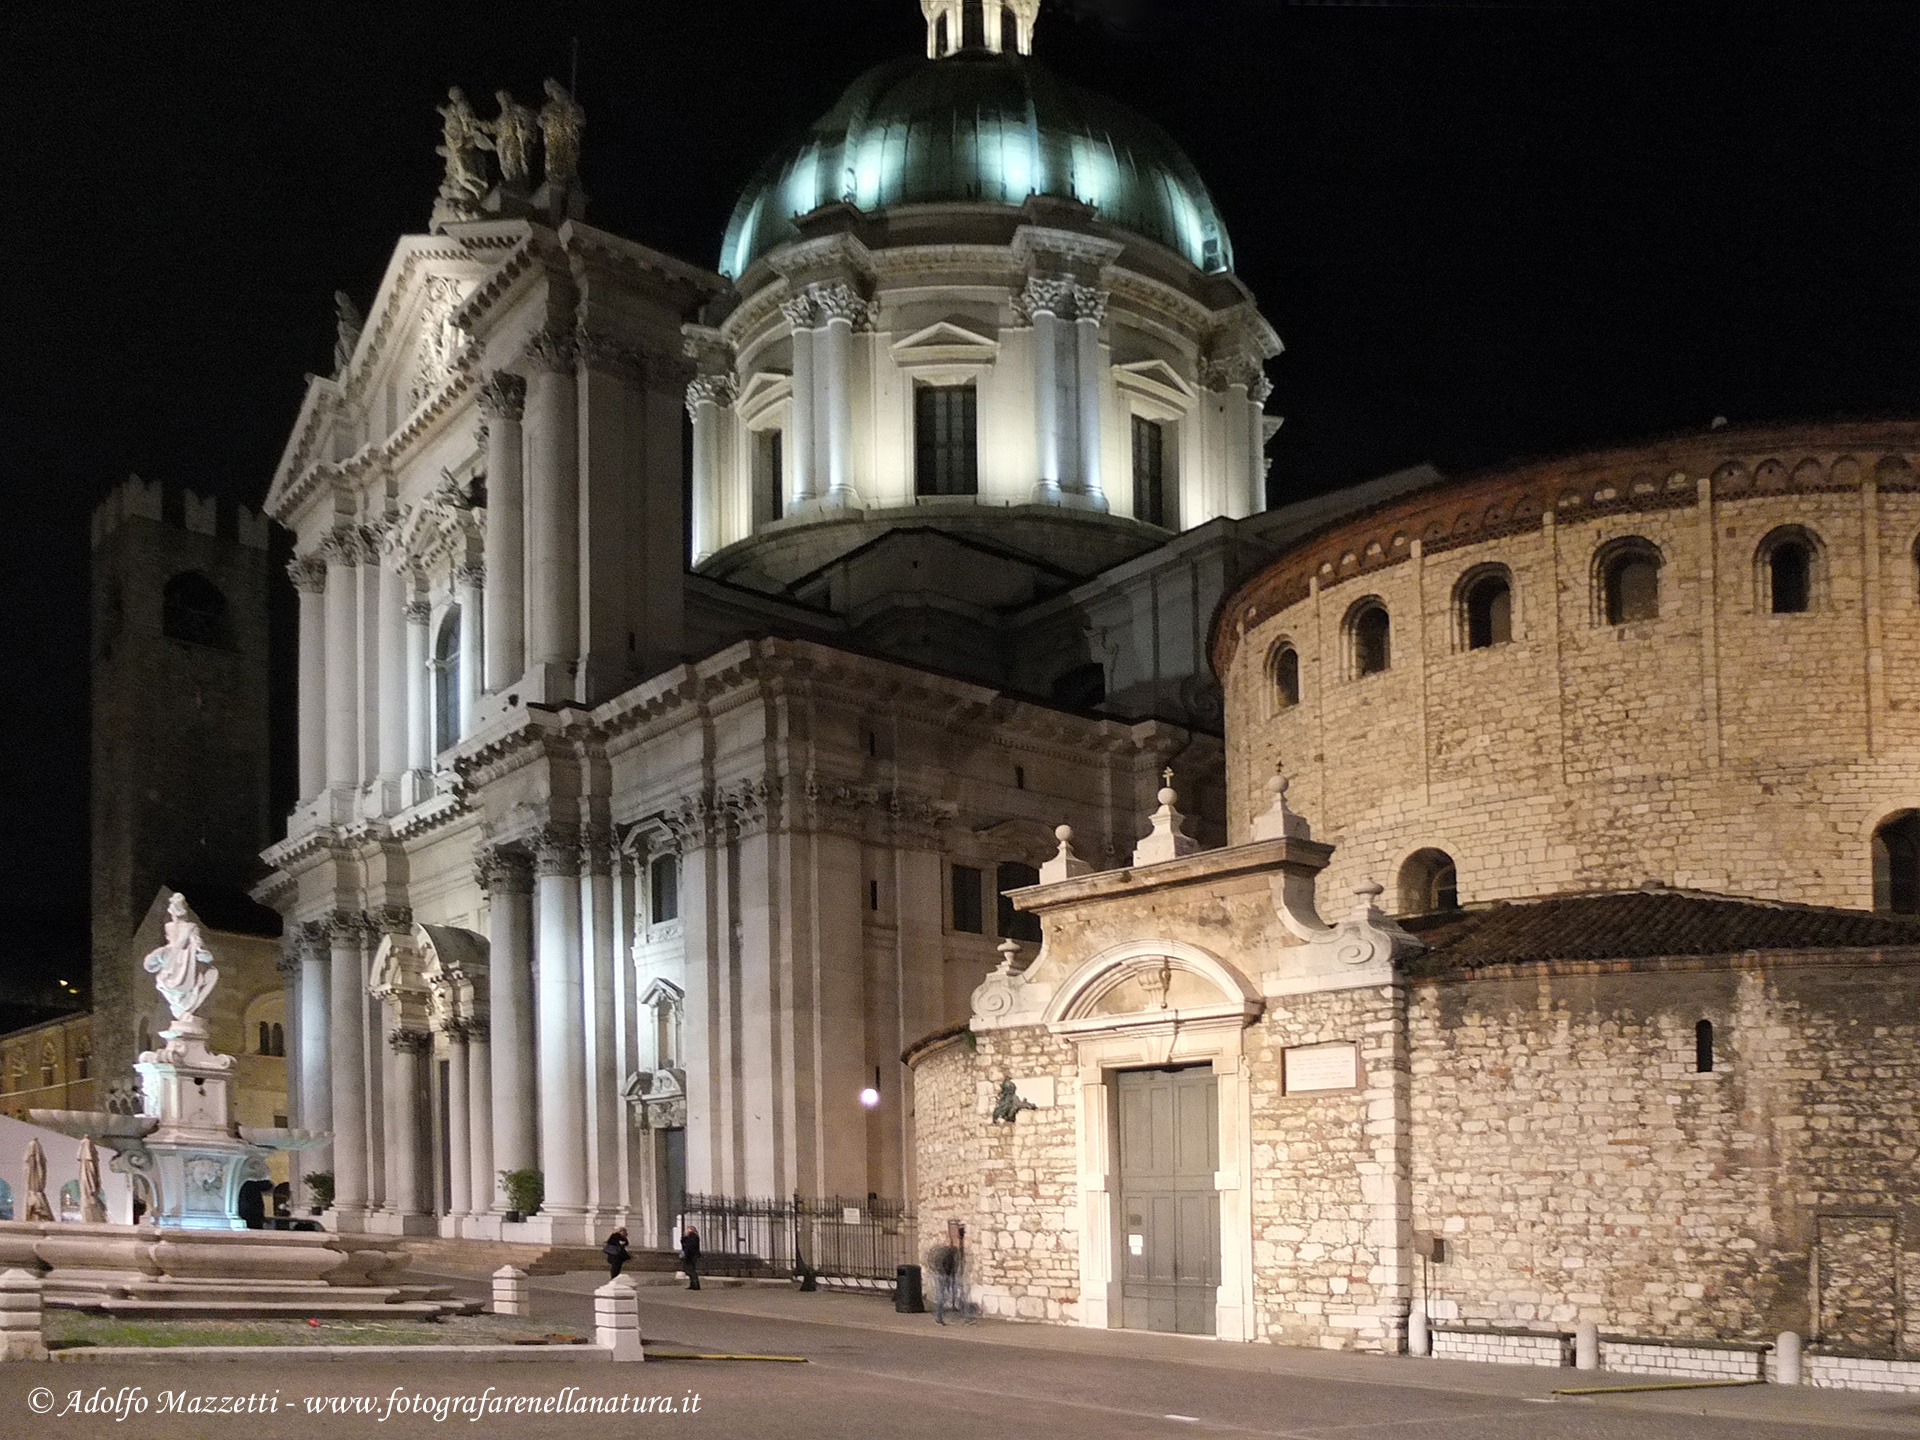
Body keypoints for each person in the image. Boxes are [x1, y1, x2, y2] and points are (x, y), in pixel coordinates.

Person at [928, 1220, 966, 1324]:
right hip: (944, 1275)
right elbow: (944, 1264)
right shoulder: (949, 1252)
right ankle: (939, 1317)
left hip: (944, 1274)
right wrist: (947, 1274)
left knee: (945, 1295)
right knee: (942, 1296)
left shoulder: (950, 1251)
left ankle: (942, 1315)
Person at [679, 1226, 701, 1290]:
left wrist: (686, 1254)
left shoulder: (692, 1236)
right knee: (690, 1270)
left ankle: (695, 1284)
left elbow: (689, 1246)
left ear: (690, 1230)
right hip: (691, 1255)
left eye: (687, 1229)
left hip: (691, 1255)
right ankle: (693, 1284)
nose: (685, 1231)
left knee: (691, 1270)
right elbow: (684, 1243)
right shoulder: (690, 1237)